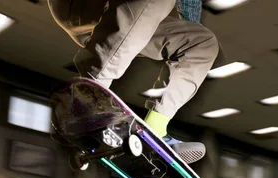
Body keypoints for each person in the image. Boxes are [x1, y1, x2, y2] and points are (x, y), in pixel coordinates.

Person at [47, 0, 219, 164]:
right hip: (78, 6)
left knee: (201, 42)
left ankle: (154, 132)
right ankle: (86, 100)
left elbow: (189, 14)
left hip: (125, 15)